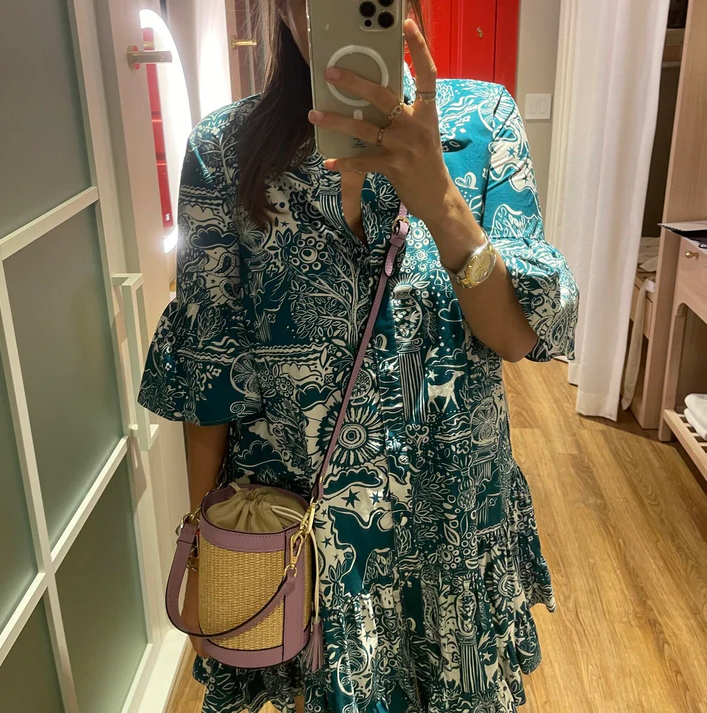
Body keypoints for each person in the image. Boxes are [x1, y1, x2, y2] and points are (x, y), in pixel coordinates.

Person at [138, 0, 579, 711]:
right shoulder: (224, 149)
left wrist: (441, 200)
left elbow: (517, 336)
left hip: (449, 523)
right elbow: (207, 372)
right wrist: (205, 546)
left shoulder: (482, 122)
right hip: (306, 540)